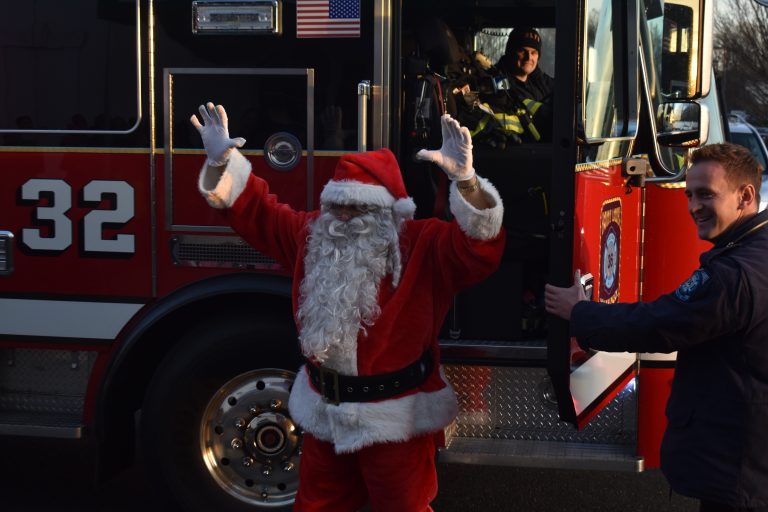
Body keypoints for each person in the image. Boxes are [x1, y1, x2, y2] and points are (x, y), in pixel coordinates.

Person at [191, 102, 505, 512]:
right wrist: (222, 161)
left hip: (394, 422)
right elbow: (259, 213)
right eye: (336, 205)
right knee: (317, 507)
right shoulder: (312, 236)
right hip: (325, 414)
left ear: (386, 210)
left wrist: (466, 183)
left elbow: (479, 250)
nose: (342, 217)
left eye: (357, 207)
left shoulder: (422, 243)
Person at [544, 143, 768, 512]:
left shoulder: (734, 276)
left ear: (745, 196)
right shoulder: (753, 252)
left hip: (739, 468)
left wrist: (580, 312)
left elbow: (658, 324)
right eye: (690, 194)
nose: (693, 206)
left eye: (706, 194)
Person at [485, 27, 554, 142]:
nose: (529, 57)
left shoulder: (541, 82)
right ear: (510, 52)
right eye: (523, 51)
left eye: (533, 53)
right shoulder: (495, 85)